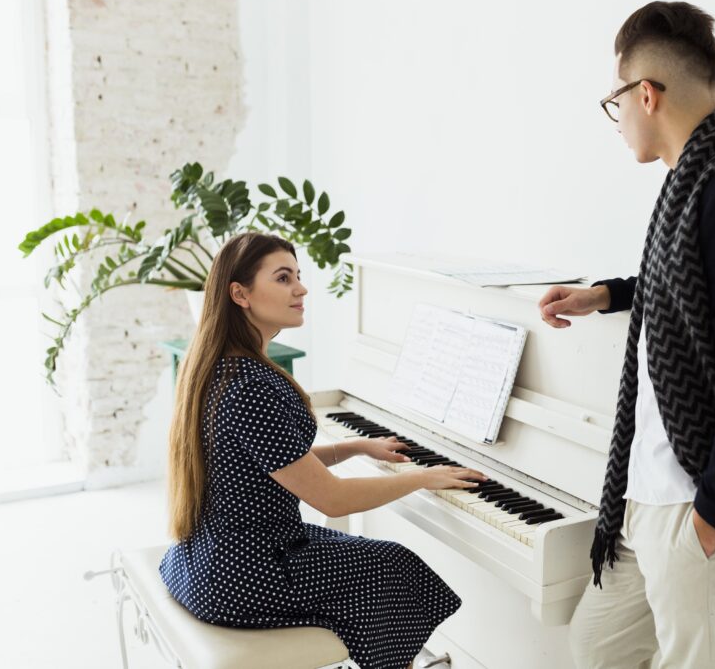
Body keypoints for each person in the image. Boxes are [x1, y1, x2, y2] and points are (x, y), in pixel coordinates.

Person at [537, 2, 715, 669]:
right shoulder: (693, 183)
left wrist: (710, 519)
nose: (619, 121)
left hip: (690, 506)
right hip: (642, 494)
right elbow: (686, 286)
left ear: (646, 93)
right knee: (596, 648)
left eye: (616, 102)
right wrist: (606, 294)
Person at [160, 231, 486, 669]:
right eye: (283, 278)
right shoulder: (253, 386)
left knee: (369, 560)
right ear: (240, 293)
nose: (301, 288)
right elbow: (329, 498)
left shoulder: (220, 366)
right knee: (393, 565)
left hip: (206, 561)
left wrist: (354, 446)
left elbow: (275, 462)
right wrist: (424, 477)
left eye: (298, 275)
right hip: (248, 575)